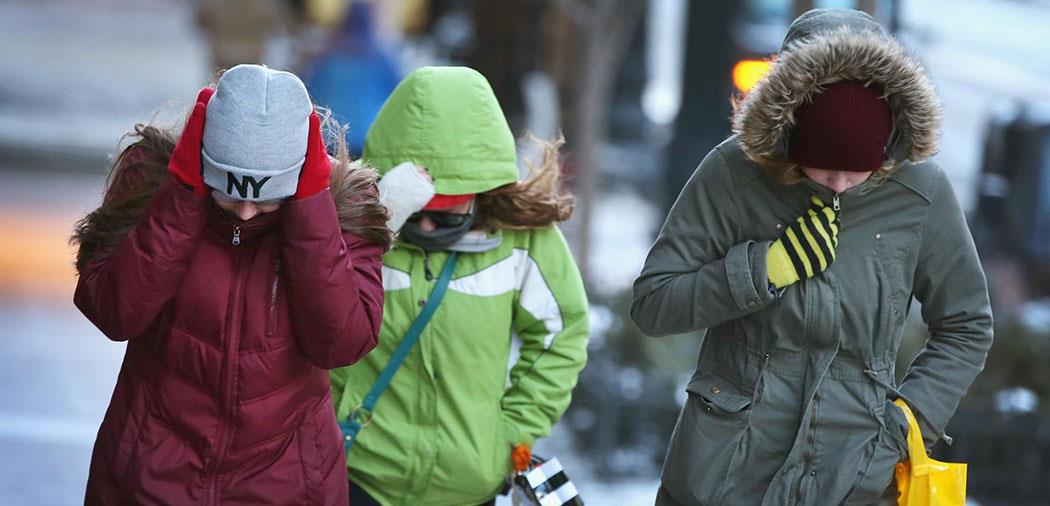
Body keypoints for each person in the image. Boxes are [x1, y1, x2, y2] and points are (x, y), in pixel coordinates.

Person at [631, 9, 993, 506]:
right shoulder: (732, 173)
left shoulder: (921, 193)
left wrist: (906, 424)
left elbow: (967, 325)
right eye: (823, 169)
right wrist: (762, 270)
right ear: (789, 135)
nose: (840, 185)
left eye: (858, 172)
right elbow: (654, 303)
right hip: (721, 475)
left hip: (854, 476)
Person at [71, 64, 391, 505]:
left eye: (265, 200)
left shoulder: (342, 203)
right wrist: (182, 196)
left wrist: (311, 210)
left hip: (287, 485)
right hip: (150, 477)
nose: (244, 213)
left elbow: (340, 344)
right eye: (229, 193)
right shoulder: (155, 180)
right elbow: (113, 311)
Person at [329, 66, 589, 506]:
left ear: (481, 191)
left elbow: (561, 335)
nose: (427, 225)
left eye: (445, 215)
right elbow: (308, 317)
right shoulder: (350, 231)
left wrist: (510, 436)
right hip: (356, 478)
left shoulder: (524, 242)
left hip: (469, 487)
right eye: (418, 213)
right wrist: (380, 225)